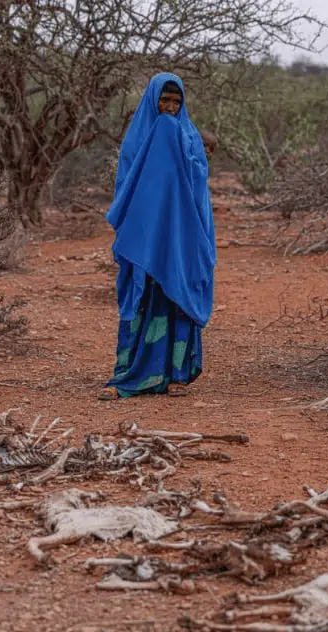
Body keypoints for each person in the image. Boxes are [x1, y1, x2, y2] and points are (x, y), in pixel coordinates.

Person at [98, 72, 216, 400]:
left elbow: (197, 192)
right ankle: (129, 373)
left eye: (176, 102)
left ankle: (177, 373)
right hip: (145, 241)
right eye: (164, 100)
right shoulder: (136, 141)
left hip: (179, 241)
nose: (170, 107)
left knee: (176, 296)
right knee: (142, 298)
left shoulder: (190, 138)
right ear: (153, 100)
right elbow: (126, 188)